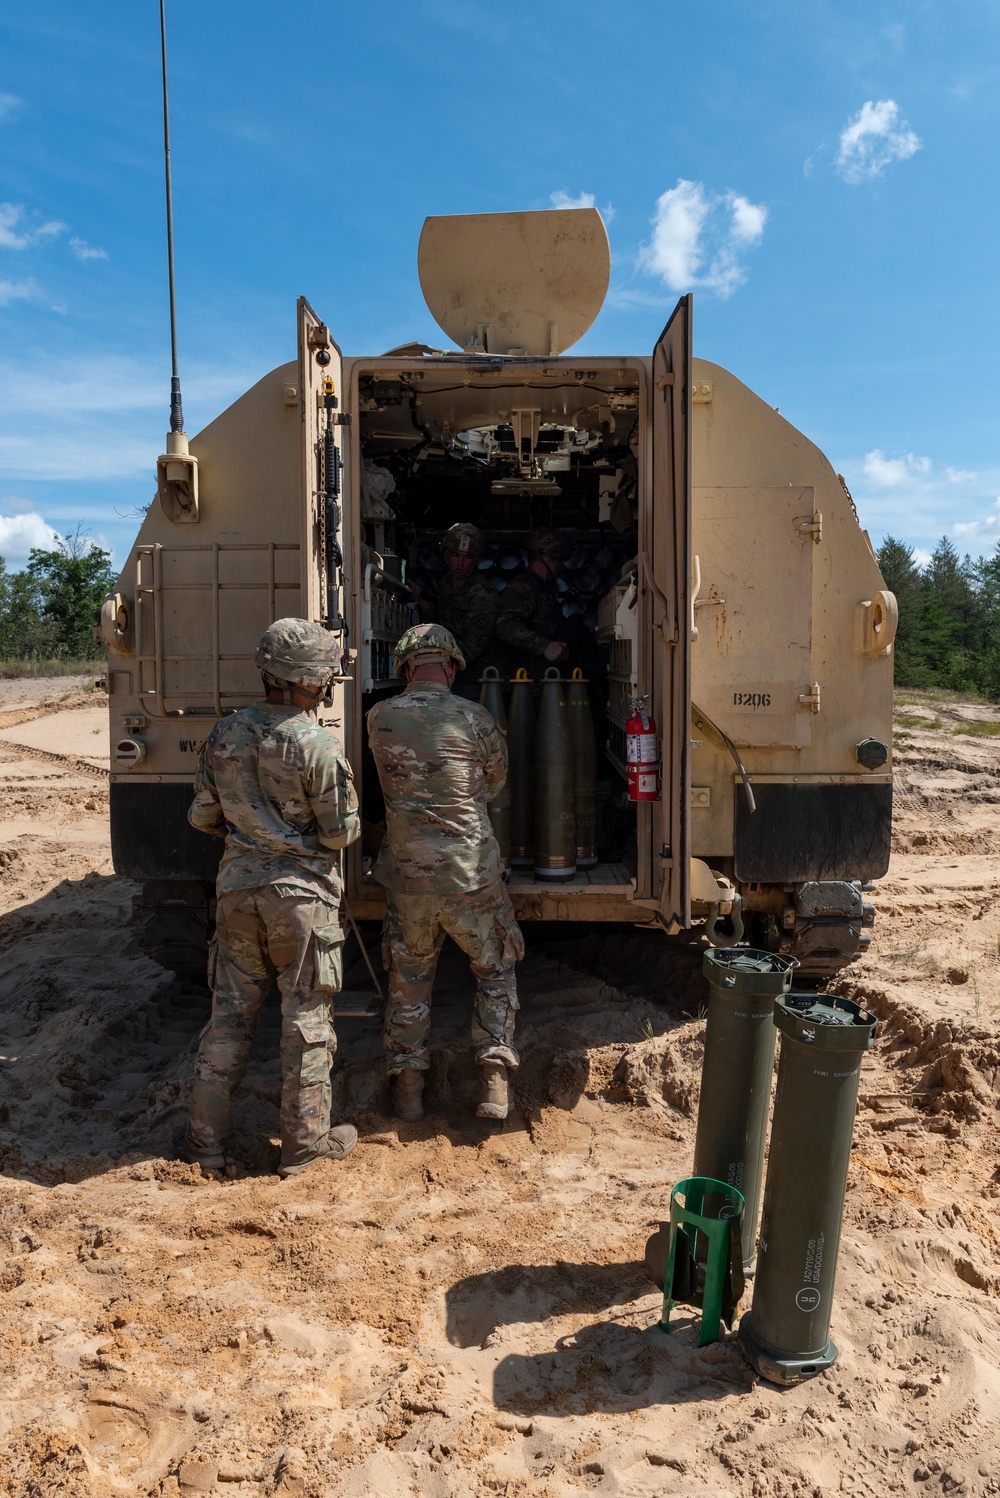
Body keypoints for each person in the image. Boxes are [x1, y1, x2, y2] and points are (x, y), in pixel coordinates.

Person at [180, 618, 360, 1178]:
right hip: (300, 902)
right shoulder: (318, 744)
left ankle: (206, 1145)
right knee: (305, 1021)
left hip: (237, 892)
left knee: (228, 1020)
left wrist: (250, 830)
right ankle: (304, 1148)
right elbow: (339, 833)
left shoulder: (224, 734)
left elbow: (203, 815)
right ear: (315, 681)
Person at [366, 623, 523, 1123]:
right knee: (495, 971)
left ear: (405, 669)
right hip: (470, 875)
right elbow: (495, 784)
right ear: (453, 667)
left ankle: (409, 1091)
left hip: (408, 879)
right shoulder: (476, 719)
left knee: (409, 981)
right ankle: (495, 1082)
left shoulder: (378, 717)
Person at [417, 522, 498, 697]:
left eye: (467, 557)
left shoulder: (482, 596)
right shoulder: (446, 582)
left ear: (476, 560)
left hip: (474, 680)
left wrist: (432, 656)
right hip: (448, 674)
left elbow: (470, 650)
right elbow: (443, 616)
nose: (460, 563)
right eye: (455, 555)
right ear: (446, 555)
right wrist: (421, 602)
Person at [495, 529, 570, 678]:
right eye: (559, 561)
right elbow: (505, 626)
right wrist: (544, 646)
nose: (559, 567)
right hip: (525, 681)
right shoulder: (523, 587)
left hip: (543, 678)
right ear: (550, 559)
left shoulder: (542, 589)